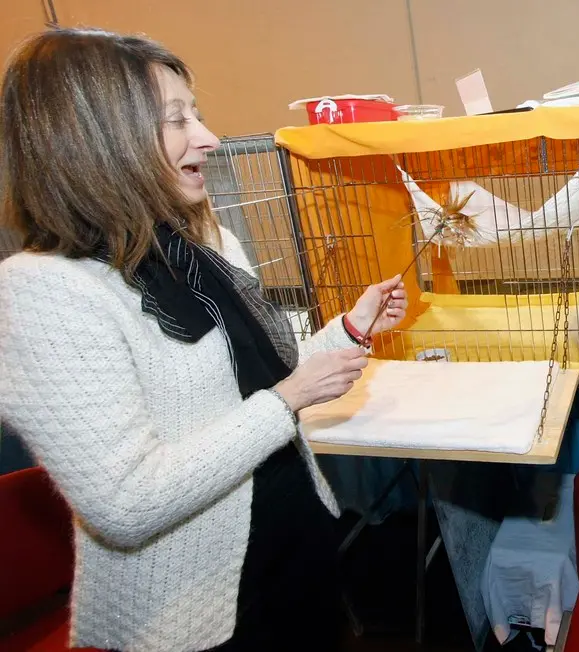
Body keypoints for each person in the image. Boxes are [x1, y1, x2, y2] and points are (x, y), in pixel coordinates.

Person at [0, 28, 407, 651]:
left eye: (197, 114)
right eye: (176, 119)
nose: (209, 137)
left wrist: (352, 327)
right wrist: (288, 400)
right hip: (197, 606)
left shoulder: (204, 242)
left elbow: (262, 385)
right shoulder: (45, 290)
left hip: (296, 549)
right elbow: (127, 502)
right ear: (98, 140)